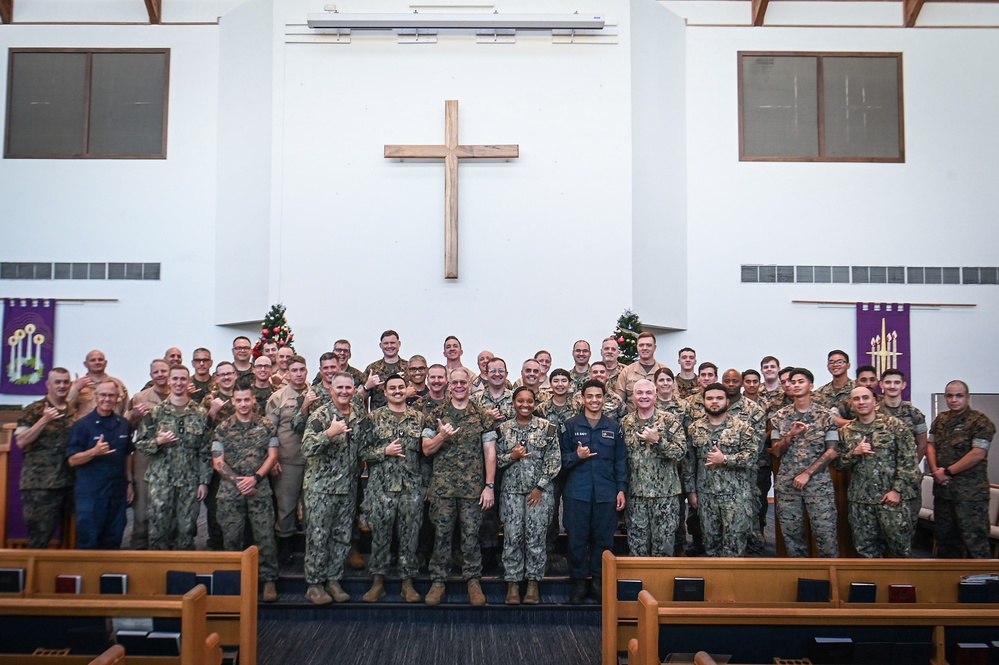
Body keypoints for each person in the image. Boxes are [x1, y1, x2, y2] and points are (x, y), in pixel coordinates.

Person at [422, 367, 497, 606]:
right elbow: (426, 449)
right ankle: (438, 581)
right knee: (442, 535)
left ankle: (473, 580)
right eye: (454, 382)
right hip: (442, 489)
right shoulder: (436, 414)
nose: (459, 386)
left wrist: (489, 486)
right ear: (448, 384)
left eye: (463, 382)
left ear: (469, 384)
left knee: (471, 536)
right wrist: (442, 435)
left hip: (472, 489)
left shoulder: (482, 415)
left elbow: (490, 452)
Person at [356, 375, 427, 603]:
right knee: (380, 537)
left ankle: (407, 582)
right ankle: (378, 582)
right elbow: (361, 452)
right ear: (385, 393)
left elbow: (426, 456)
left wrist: (425, 484)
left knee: (410, 536)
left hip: (411, 488)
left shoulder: (419, 419)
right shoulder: (373, 418)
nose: (397, 391)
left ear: (406, 390)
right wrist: (383, 452)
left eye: (400, 388)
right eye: (391, 388)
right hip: (382, 488)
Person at [560, 379, 627, 604]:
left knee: (604, 539)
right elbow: (558, 460)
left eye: (599, 396)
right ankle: (579, 581)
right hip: (577, 492)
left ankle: (598, 580)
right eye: (590, 396)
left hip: (606, 493)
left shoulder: (613, 427)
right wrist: (575, 457)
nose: (594, 400)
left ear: (605, 399)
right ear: (582, 398)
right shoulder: (570, 426)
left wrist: (621, 490)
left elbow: (620, 461)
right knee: (576, 539)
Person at [301, 372, 365, 604]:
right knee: (318, 537)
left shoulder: (358, 414)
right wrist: (329, 433)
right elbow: (307, 447)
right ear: (331, 389)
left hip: (347, 488)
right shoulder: (321, 415)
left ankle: (333, 579)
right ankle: (315, 584)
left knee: (341, 537)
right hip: (321, 488)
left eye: (348, 387)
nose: (344, 391)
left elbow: (362, 448)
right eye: (340, 388)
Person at [212, 384, 280, 601]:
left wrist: (255, 478)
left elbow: (272, 456)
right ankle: (234, 581)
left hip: (259, 488)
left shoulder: (266, 425)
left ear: (253, 401)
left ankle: (268, 580)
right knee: (231, 538)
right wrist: (237, 481)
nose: (243, 404)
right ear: (232, 402)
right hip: (230, 491)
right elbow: (217, 461)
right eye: (238, 400)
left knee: (265, 536)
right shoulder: (222, 428)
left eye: (247, 400)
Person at [833, 386, 919, 558]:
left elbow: (909, 461)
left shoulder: (894, 426)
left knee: (899, 549)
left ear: (875, 401)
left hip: (892, 499)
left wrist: (897, 490)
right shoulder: (846, 432)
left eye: (865, 398)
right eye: (856, 399)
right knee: (866, 551)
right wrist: (854, 453)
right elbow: (839, 464)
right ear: (851, 404)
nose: (861, 402)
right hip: (861, 501)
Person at [134, 365, 211, 551]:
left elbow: (205, 450)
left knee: (186, 530)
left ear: (188, 382)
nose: (178, 383)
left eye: (183, 379)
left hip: (189, 481)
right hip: (161, 481)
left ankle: (183, 577)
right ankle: (157, 576)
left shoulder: (200, 413)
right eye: (175, 379)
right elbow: (140, 445)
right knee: (159, 529)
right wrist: (158, 441)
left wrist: (204, 482)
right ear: (168, 381)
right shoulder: (156, 413)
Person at [496, 387, 561, 605]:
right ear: (513, 402)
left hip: (538, 493)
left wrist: (540, 486)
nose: (525, 405)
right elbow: (494, 460)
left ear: (535, 403)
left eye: (530, 401)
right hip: (512, 492)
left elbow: (554, 461)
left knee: (536, 538)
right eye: (520, 401)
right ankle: (513, 583)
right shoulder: (502, 429)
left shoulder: (547, 428)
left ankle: (533, 583)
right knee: (512, 538)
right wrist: (511, 456)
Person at [770, 368, 840, 557]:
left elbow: (832, 450)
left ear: (811, 386)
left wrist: (807, 473)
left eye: (800, 381)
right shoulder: (779, 417)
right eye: (792, 382)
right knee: (792, 537)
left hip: (818, 485)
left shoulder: (826, 416)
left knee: (825, 535)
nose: (795, 385)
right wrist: (789, 436)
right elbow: (776, 451)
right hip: (787, 486)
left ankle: (830, 579)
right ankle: (800, 578)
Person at [686, 383, 757, 557]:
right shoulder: (694, 429)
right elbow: (689, 464)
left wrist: (725, 459)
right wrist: (691, 491)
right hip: (706, 495)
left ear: (728, 401)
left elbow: (752, 457)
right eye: (710, 398)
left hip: (735, 495)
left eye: (719, 398)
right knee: (711, 544)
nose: (714, 402)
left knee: (734, 545)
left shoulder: (742, 428)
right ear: (704, 402)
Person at [927, 380, 996, 559]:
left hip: (970, 496)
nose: (954, 400)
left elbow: (978, 454)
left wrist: (947, 472)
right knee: (945, 542)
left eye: (959, 395)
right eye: (950, 396)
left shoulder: (980, 422)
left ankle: (982, 584)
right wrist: (936, 471)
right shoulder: (941, 420)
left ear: (967, 397)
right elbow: (931, 446)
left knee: (975, 542)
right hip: (944, 493)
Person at [620, 379, 686, 557]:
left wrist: (658, 442)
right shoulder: (625, 423)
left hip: (664, 494)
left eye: (648, 393)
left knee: (663, 546)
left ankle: (660, 585)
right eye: (639, 393)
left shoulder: (670, 421)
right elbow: (620, 458)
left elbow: (680, 453)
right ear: (633, 397)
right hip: (636, 495)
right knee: (636, 546)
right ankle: (640, 585)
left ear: (655, 396)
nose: (644, 397)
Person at [66, 380, 134, 549]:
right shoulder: (82, 425)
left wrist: (130, 483)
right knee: (89, 541)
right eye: (103, 395)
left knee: (114, 540)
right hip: (91, 495)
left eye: (111, 395)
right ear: (96, 397)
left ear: (117, 398)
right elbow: (72, 460)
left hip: (117, 492)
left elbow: (128, 454)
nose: (107, 399)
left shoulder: (123, 424)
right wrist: (93, 452)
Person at [15, 367, 76, 548]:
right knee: (40, 538)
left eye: (66, 382)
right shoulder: (33, 410)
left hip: (69, 482)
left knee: (73, 537)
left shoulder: (73, 410)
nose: (62, 386)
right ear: (48, 384)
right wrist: (44, 420)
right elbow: (21, 441)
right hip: (40, 485)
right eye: (57, 382)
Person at [265, 354, 311, 564]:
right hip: (288, 460)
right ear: (287, 373)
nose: (299, 374)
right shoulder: (278, 397)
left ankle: (312, 551)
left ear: (307, 371)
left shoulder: (316, 393)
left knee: (312, 509)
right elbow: (269, 432)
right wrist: (272, 459)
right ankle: (285, 551)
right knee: (286, 508)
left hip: (314, 462)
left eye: (302, 370)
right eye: (295, 370)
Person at [124, 359, 171, 550]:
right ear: (151, 375)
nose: (160, 375)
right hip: (146, 460)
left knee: (169, 510)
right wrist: (134, 415)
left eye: (163, 371)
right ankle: (138, 550)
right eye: (156, 372)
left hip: (171, 459)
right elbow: (126, 428)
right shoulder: (139, 398)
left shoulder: (179, 395)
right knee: (142, 511)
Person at [721, 369, 769, 555]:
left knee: (750, 519)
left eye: (735, 381)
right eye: (727, 380)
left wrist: (727, 458)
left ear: (741, 383)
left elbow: (755, 447)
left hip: (745, 477)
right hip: (717, 478)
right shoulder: (715, 405)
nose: (731, 384)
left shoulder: (754, 410)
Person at [879, 369, 929, 531]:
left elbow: (922, 444)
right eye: (888, 382)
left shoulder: (915, 414)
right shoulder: (874, 412)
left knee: (907, 527)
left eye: (896, 382)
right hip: (880, 479)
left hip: (908, 482)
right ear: (881, 385)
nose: (892, 386)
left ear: (903, 385)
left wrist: (910, 468)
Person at [68, 349, 128, 417]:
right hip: (85, 426)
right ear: (85, 364)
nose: (97, 362)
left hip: (112, 425)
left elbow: (126, 411)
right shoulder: (77, 385)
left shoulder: (117, 384)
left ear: (105, 363)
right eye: (93, 360)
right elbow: (65, 408)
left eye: (100, 360)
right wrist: (76, 389)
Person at [615, 332, 666, 409]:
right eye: (641, 345)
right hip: (632, 419)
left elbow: (674, 399)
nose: (645, 348)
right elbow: (618, 402)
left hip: (659, 419)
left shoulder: (664, 372)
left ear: (654, 348)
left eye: (649, 345)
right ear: (637, 347)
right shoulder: (627, 372)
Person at [362, 330, 408, 410]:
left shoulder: (409, 368)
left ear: (399, 344)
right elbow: (359, 398)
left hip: (406, 419)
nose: (389, 346)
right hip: (379, 419)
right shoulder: (372, 369)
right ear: (380, 345)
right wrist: (367, 387)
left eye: (392, 343)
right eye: (386, 343)